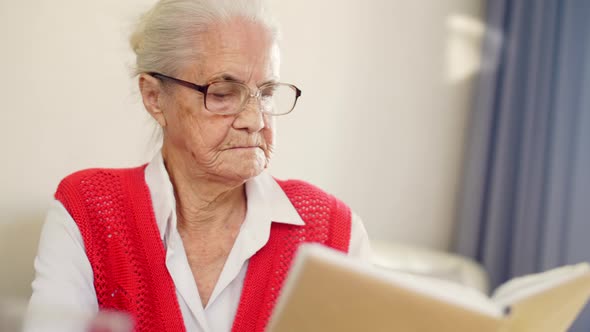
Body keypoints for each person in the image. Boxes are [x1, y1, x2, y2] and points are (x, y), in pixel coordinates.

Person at [25, 0, 371, 331]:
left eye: (265, 92)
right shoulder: (88, 209)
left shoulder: (333, 231)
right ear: (154, 98)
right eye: (222, 93)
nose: (254, 119)